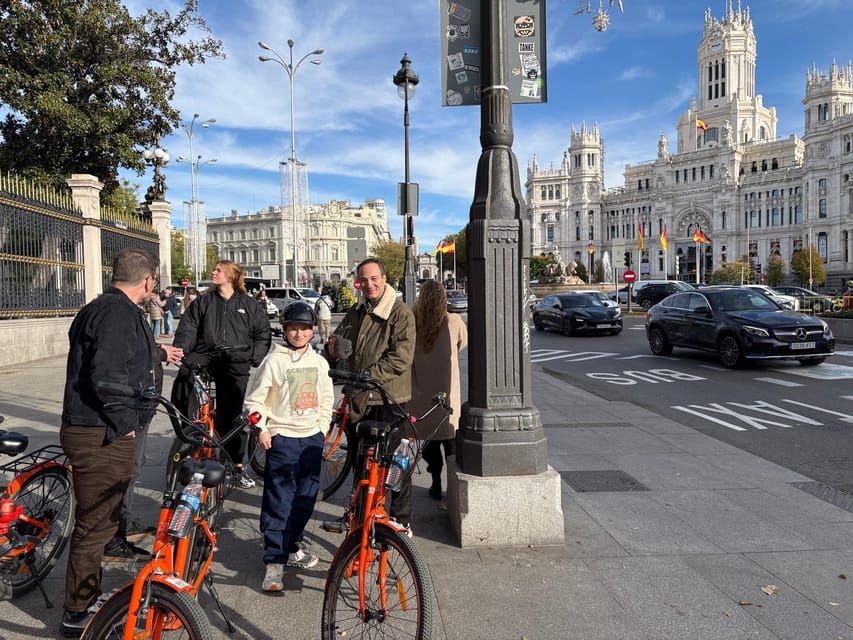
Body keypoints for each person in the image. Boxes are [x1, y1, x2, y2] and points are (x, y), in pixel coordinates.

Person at [59, 248, 166, 637]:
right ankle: (78, 612)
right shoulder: (117, 312)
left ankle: (86, 598)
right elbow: (106, 374)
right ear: (148, 281)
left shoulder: (102, 308)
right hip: (100, 432)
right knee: (96, 524)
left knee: (99, 522)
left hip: (93, 428)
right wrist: (126, 424)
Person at [244, 302, 334, 592]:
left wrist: (321, 430)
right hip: (282, 438)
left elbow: (326, 399)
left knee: (306, 499)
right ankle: (274, 561)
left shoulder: (319, 363)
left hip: (311, 439)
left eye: (304, 328)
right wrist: (262, 429)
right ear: (284, 330)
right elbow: (254, 401)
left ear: (312, 331)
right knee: (279, 500)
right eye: (293, 328)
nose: (298, 333)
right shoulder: (274, 362)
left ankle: (291, 545)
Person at [330, 257, 416, 529]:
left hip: (390, 399)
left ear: (384, 279)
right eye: (363, 280)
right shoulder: (356, 311)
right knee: (360, 460)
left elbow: (401, 357)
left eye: (374, 278)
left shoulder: (400, 313)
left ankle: (400, 521)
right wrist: (332, 351)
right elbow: (337, 342)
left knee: (395, 463)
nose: (369, 284)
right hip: (360, 399)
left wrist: (368, 376)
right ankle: (357, 516)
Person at [171, 261, 271, 488]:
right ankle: (191, 427)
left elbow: (262, 332)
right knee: (185, 377)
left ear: (231, 276)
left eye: (218, 270)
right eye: (213, 268)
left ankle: (236, 465)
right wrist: (181, 349)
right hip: (206, 354)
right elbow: (188, 328)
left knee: (232, 414)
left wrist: (255, 355)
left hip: (236, 358)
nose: (213, 272)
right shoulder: (203, 302)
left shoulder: (249, 304)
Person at [407, 281, 467, 500]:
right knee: (450, 439)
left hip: (422, 391)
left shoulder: (412, 322)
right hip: (447, 392)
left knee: (429, 438)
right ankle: (452, 489)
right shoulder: (453, 321)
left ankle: (435, 480)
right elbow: (463, 343)